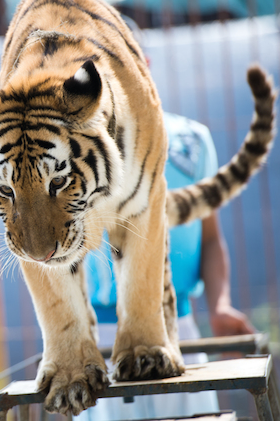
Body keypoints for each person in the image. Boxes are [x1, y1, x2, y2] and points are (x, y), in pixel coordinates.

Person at [76, 112, 255, 421]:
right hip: (100, 336)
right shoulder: (75, 145)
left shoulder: (191, 141)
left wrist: (219, 306)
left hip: (178, 328)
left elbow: (210, 238)